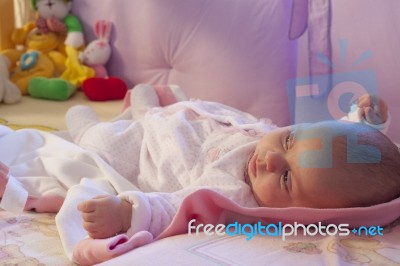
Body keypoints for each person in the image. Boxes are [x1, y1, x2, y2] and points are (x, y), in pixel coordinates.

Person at [69, 85, 400, 240]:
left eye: (286, 180)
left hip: (151, 150)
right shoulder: (304, 155)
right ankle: (145, 109)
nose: (269, 159)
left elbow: (174, 207)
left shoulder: (232, 194)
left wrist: (128, 213)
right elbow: (331, 144)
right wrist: (363, 120)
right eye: (288, 139)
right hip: (193, 123)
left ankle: (83, 124)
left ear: (304, 215)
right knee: (165, 104)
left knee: (101, 143)